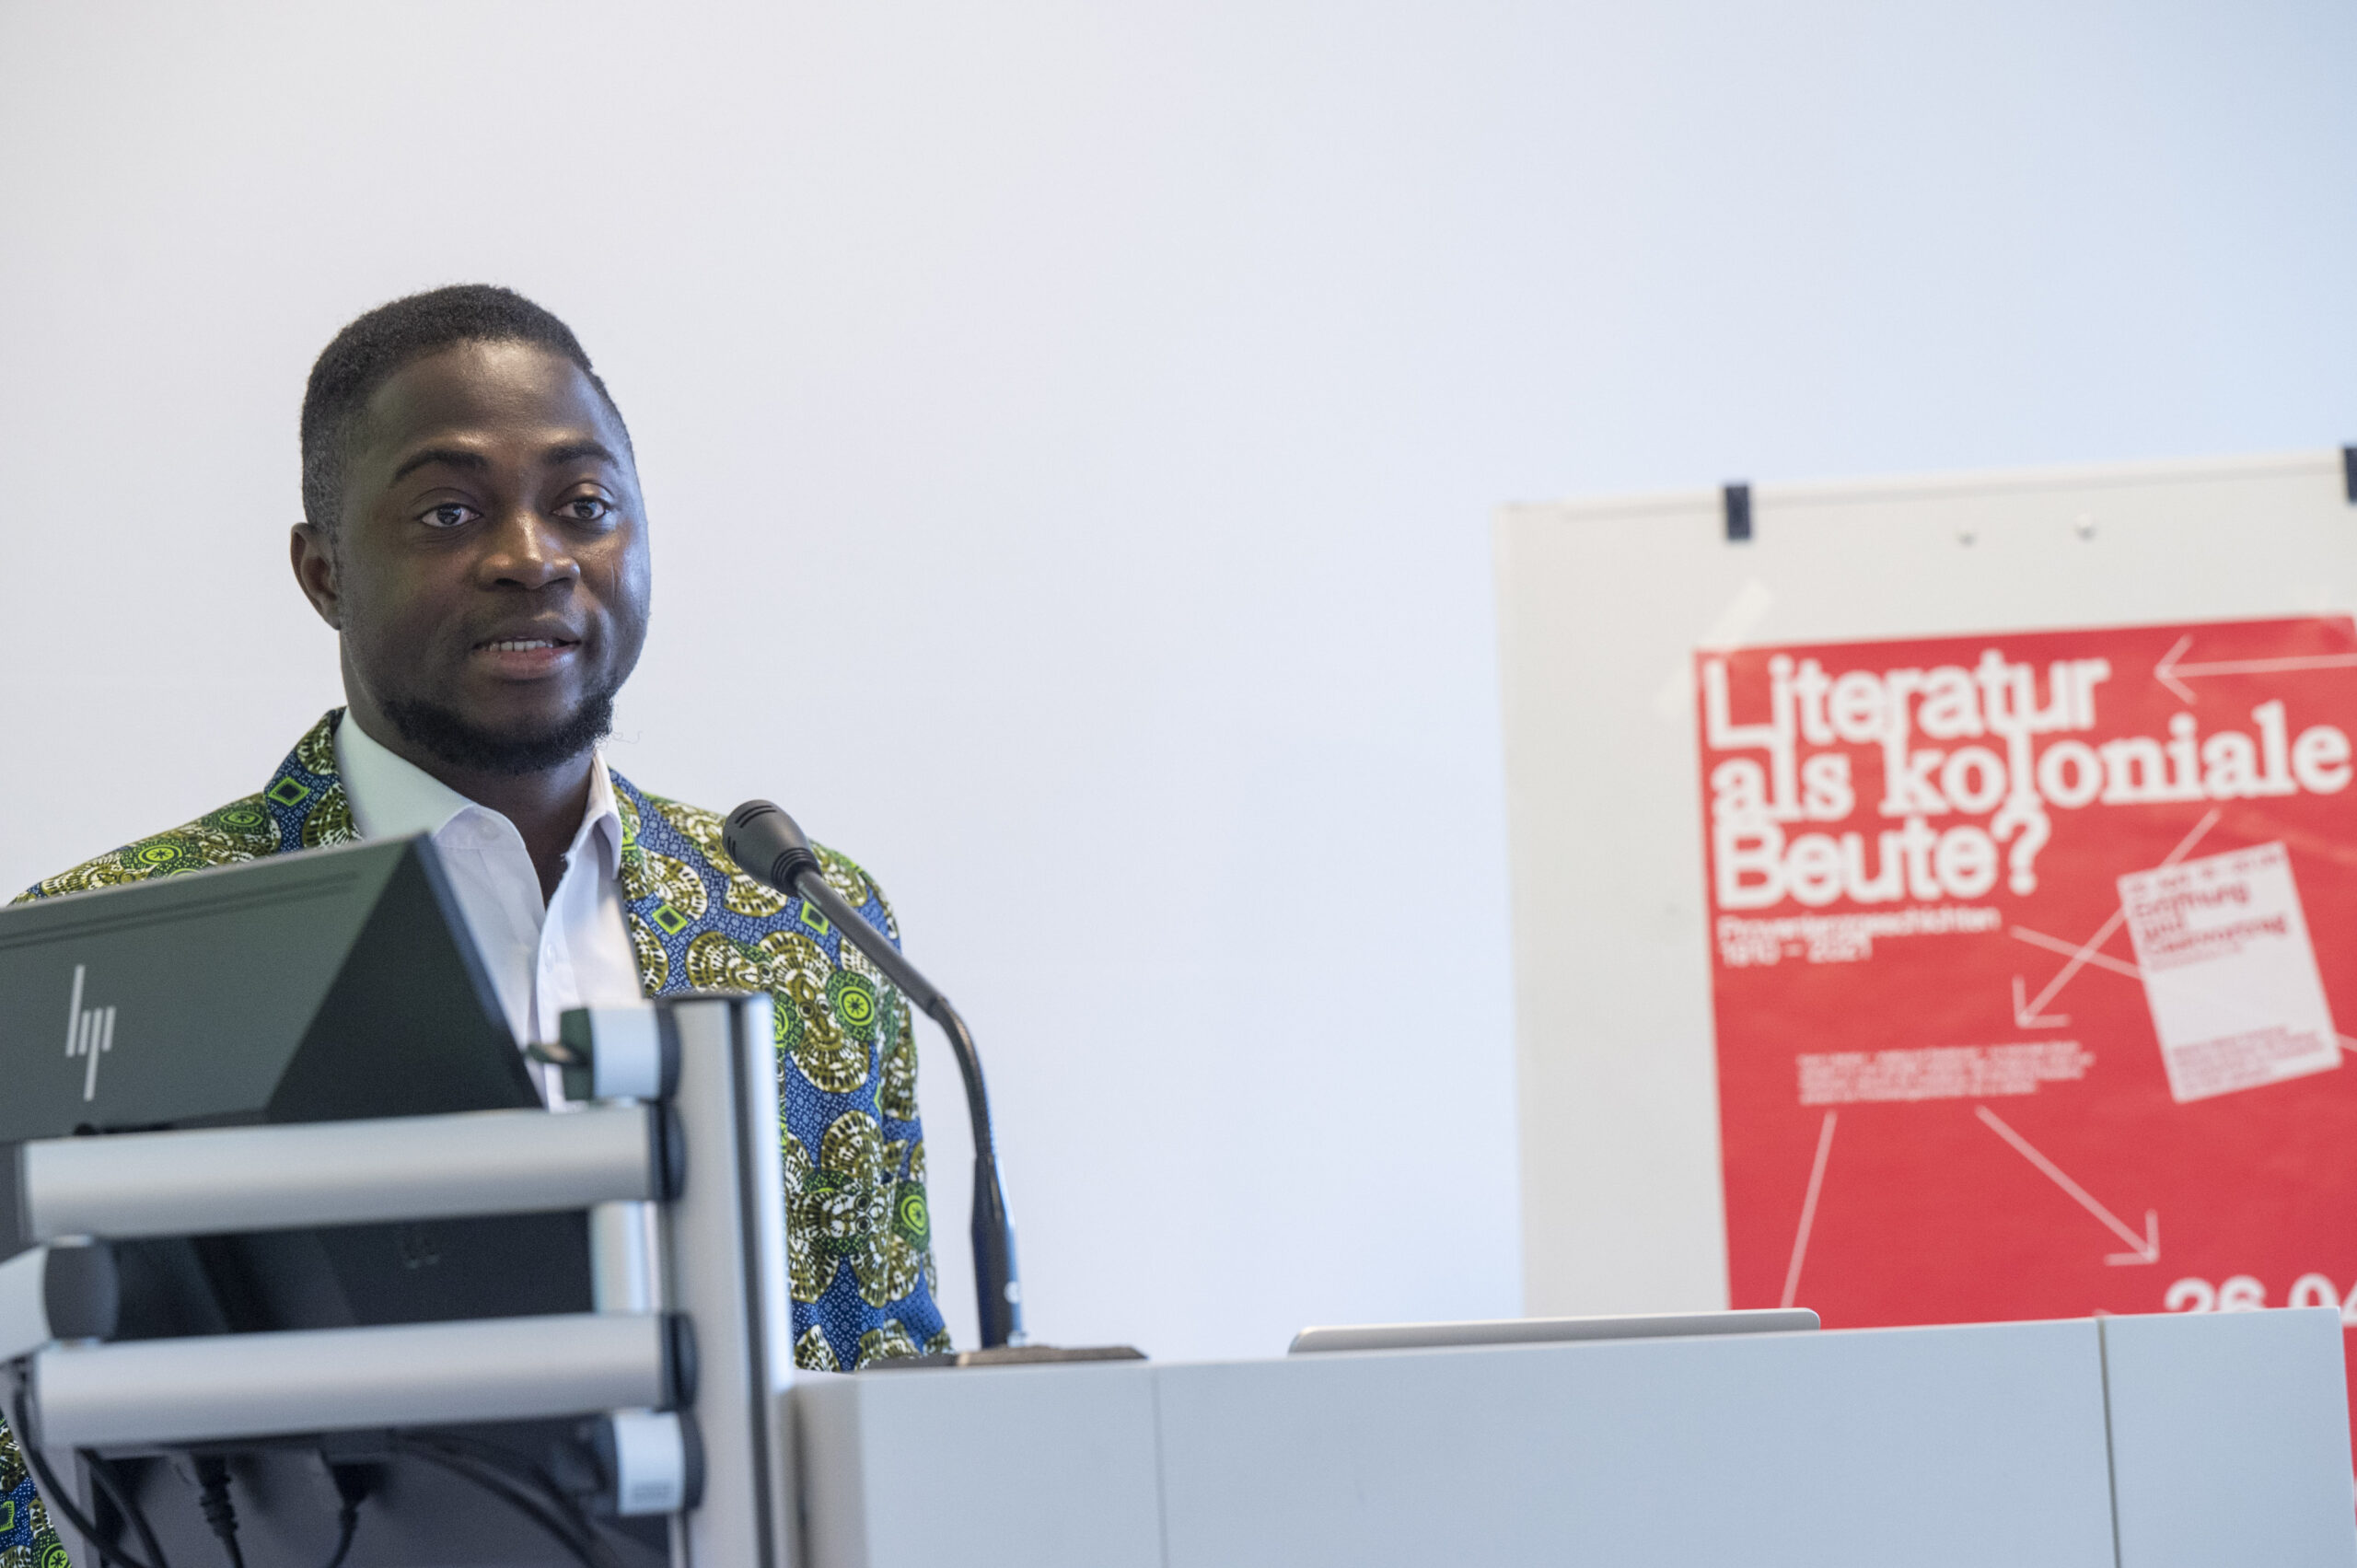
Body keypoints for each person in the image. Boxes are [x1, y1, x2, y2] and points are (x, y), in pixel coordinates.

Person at [3, 285, 947, 1559]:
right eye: (449, 512)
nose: (532, 555)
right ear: (324, 571)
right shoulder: (101, 952)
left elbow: (891, 1374)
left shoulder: (803, 921)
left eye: (584, 505)